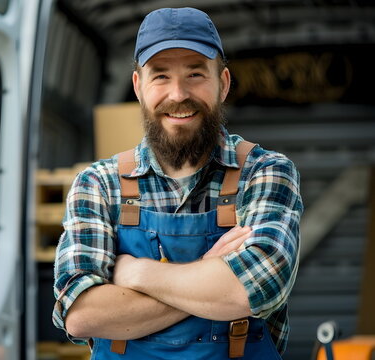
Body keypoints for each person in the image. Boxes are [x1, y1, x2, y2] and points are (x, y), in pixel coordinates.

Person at [52, 7, 303, 359]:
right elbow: (81, 314)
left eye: (196, 74)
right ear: (138, 86)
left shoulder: (266, 173)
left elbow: (252, 290)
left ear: (224, 84)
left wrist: (134, 272)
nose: (178, 94)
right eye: (161, 76)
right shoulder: (97, 184)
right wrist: (211, 270)